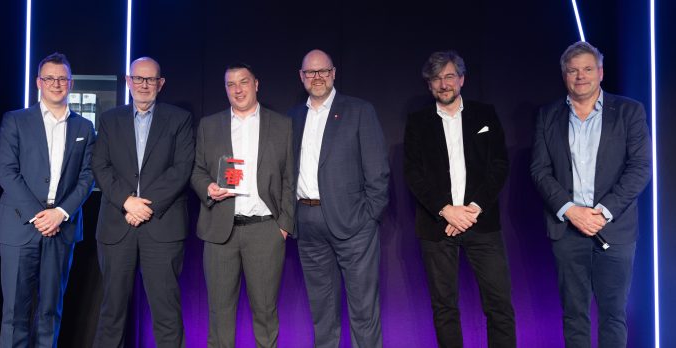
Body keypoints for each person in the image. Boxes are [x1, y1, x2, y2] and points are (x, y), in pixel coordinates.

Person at [530, 41, 651, 347]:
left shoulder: (629, 111)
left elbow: (640, 168)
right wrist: (571, 211)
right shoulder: (548, 115)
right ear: (564, 75)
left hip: (614, 228)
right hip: (567, 230)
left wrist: (602, 212)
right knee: (574, 315)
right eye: (573, 70)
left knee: (613, 315)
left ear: (600, 72)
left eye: (587, 69)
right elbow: (540, 171)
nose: (580, 76)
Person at [404, 51, 516, 347]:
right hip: (437, 227)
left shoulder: (485, 114)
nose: (444, 84)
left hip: (482, 223)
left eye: (450, 76)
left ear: (462, 79)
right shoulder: (417, 122)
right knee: (445, 309)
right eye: (436, 78)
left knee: (499, 305)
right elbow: (413, 174)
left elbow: (499, 165)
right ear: (429, 84)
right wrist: (446, 211)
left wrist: (472, 209)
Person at [0, 52, 95, 347]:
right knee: (15, 313)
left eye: (62, 78)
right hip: (19, 227)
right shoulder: (15, 120)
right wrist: (39, 216)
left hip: (61, 228)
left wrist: (60, 213)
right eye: (49, 78)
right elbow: (6, 172)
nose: (56, 84)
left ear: (70, 83)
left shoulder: (84, 127)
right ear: (39, 82)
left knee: (51, 311)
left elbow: (88, 175)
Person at [289, 49, 389, 348]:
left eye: (323, 71)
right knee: (322, 313)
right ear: (302, 77)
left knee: (363, 312)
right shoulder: (293, 117)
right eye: (310, 72)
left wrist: (369, 216)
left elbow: (378, 170)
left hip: (354, 224)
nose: (317, 77)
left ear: (333, 73)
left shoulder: (359, 110)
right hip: (307, 224)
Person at [92, 57, 195, 347]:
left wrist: (144, 206)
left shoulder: (179, 119)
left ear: (160, 84)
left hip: (162, 226)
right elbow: (100, 166)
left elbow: (182, 168)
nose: (144, 85)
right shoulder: (110, 120)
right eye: (138, 78)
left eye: (150, 79)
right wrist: (127, 202)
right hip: (117, 225)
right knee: (112, 312)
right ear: (128, 82)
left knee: (166, 312)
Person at [190, 62, 294, 348]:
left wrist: (283, 225)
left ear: (256, 84)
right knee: (220, 315)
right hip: (219, 232)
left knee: (265, 313)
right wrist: (207, 188)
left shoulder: (281, 125)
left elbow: (289, 177)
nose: (237, 89)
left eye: (243, 82)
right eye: (231, 84)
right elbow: (197, 170)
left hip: (265, 231)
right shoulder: (209, 125)